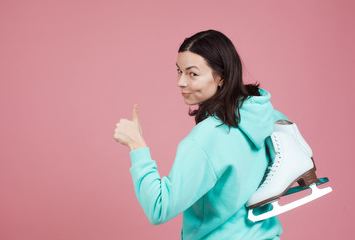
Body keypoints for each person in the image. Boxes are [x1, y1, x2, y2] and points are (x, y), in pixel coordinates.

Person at [114, 29, 287, 239]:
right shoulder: (264, 115)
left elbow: (159, 208)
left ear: (221, 76)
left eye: (192, 74)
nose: (181, 82)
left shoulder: (206, 139)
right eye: (179, 71)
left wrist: (136, 145)